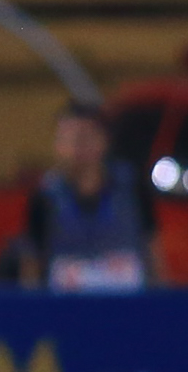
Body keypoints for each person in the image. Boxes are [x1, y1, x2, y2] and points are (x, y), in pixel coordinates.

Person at [19, 101, 164, 292]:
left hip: (125, 303)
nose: (73, 148)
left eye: (81, 138)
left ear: (103, 141)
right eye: (64, 139)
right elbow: (32, 268)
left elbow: (153, 254)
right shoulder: (45, 197)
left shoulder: (131, 189)